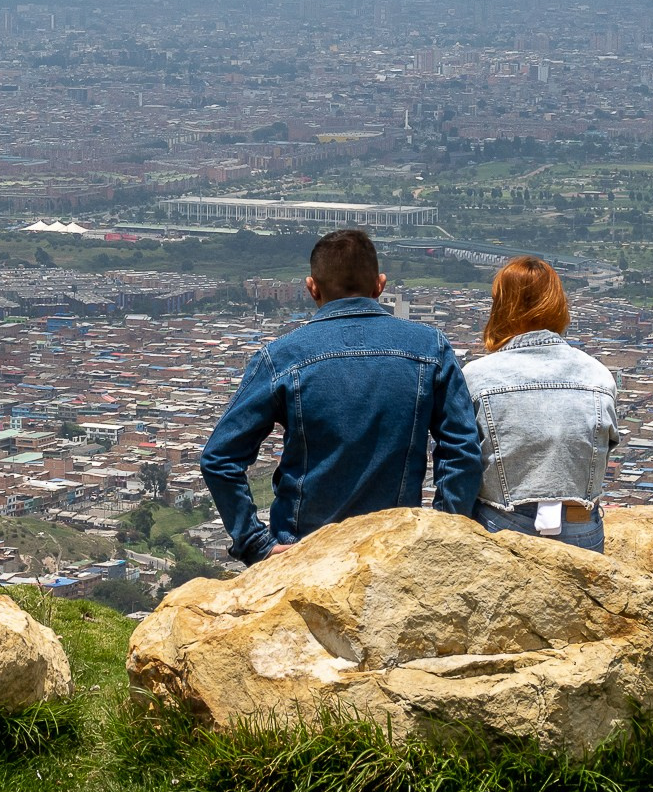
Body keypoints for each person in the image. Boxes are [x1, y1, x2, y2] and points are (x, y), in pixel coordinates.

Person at [200, 228, 484, 564]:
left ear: (312, 288)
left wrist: (255, 544)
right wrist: (442, 535)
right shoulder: (430, 348)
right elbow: (462, 450)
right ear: (379, 285)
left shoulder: (281, 358)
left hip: (303, 554)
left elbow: (219, 458)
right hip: (394, 552)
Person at [461, 256, 619, 552]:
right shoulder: (598, 375)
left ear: (501, 307)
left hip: (502, 525)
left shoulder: (477, 377)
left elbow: (463, 462)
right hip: (581, 529)